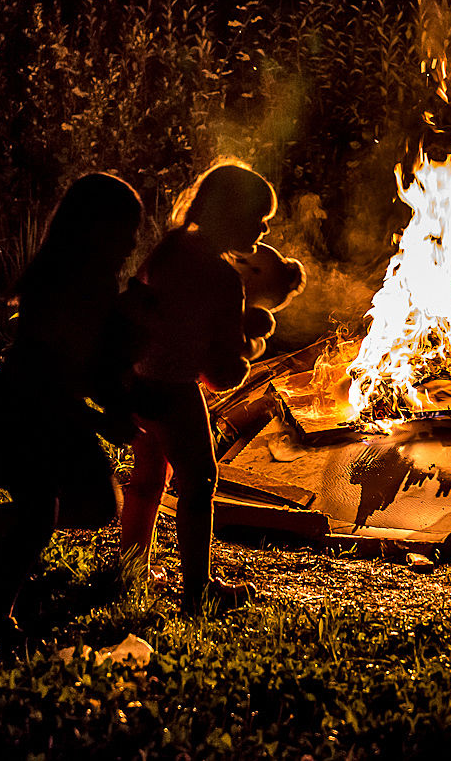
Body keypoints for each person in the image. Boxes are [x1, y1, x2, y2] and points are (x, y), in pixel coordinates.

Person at [0, 172, 145, 632]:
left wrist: (115, 404)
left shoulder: (95, 284)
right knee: (41, 513)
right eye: (126, 230)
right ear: (95, 229)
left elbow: (89, 367)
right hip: (23, 412)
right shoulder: (66, 285)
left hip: (55, 411)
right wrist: (104, 421)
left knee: (100, 506)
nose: (132, 242)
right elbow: (50, 374)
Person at [119, 161, 286, 616]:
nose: (263, 228)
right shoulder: (224, 279)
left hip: (137, 380)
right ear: (229, 215)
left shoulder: (171, 247)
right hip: (174, 391)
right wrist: (252, 344)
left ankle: (129, 569)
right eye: (258, 218)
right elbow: (222, 372)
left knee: (148, 478)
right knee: (199, 481)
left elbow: (141, 305)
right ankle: (199, 588)